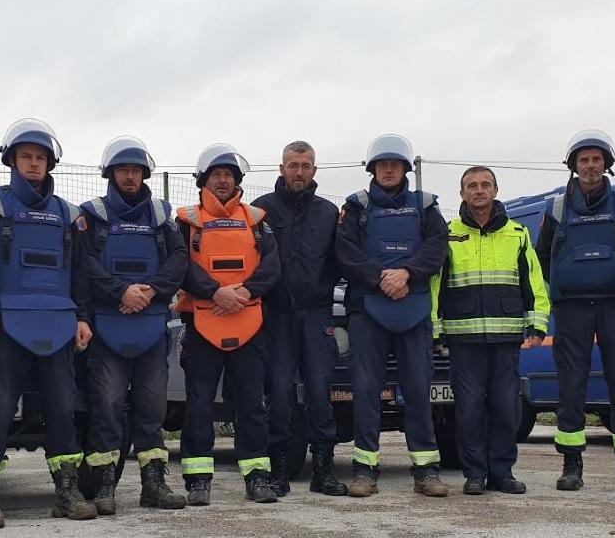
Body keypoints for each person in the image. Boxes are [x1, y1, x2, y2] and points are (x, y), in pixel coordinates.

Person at [0, 119, 97, 523]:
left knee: (62, 406)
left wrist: (82, 317)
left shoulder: (69, 215)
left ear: (50, 164)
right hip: (5, 325)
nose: (33, 164)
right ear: (11, 160)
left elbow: (79, 273)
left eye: (40, 158)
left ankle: (67, 490)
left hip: (58, 326)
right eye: (26, 156)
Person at [534, 130, 615, 492]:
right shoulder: (556, 208)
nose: (590, 166)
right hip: (572, 309)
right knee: (571, 385)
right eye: (583, 160)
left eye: (596, 159)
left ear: (607, 164)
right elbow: (542, 259)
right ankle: (572, 466)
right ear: (574, 166)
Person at [335, 134, 450, 498]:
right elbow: (345, 251)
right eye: (382, 164)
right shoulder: (356, 207)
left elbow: (438, 246)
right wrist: (380, 277)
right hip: (367, 310)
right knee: (366, 390)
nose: (388, 170)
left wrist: (407, 274)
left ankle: (426, 471)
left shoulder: (426, 205)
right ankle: (365, 471)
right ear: (372, 169)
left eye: (395, 164)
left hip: (414, 309)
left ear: (405, 168)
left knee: (417, 388)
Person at [79, 136, 188, 513]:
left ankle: (153, 486)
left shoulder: (161, 218)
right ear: (111, 174)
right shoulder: (92, 216)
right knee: (106, 406)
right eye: (123, 170)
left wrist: (149, 292)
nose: (130, 177)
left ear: (145, 175)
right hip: (108, 326)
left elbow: (179, 261)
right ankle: (104, 487)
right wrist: (121, 292)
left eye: (136, 171)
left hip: (151, 325)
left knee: (152, 408)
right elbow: (84, 266)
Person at [433, 166, 549, 495]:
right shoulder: (448, 233)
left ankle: (502, 472)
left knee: (505, 407)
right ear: (462, 194)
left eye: (485, 185)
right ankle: (474, 474)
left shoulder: (518, 233)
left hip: (506, 338)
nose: (479, 190)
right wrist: (435, 328)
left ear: (495, 191)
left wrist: (538, 322)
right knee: (468, 410)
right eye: (472, 185)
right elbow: (435, 285)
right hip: (463, 338)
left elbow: (535, 282)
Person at [176, 143, 281, 505]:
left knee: (252, 405)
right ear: (204, 180)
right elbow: (180, 266)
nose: (223, 181)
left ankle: (257, 478)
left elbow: (272, 266)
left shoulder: (256, 220)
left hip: (249, 324)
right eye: (216, 175)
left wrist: (244, 291)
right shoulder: (186, 220)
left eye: (229, 175)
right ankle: (197, 481)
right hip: (202, 325)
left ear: (237, 180)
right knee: (199, 404)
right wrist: (215, 293)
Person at [250, 140, 347, 497]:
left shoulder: (328, 212)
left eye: (306, 166)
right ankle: (278, 471)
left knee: (321, 393)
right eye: (294, 165)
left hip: (317, 314)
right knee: (279, 391)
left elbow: (340, 260)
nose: (299, 172)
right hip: (275, 315)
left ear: (315, 170)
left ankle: (324, 471)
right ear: (281, 169)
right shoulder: (260, 210)